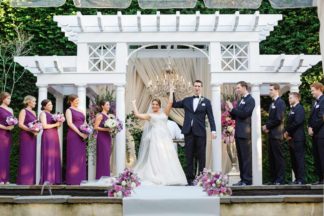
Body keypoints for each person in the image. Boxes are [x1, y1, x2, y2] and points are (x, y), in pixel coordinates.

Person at [132, 86, 187, 185]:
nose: (154, 106)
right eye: (153, 104)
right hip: (155, 138)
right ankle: (156, 175)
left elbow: (170, 103)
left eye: (156, 104)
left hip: (165, 138)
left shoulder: (165, 113)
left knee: (168, 156)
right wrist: (134, 104)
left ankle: (170, 176)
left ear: (159, 105)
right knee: (155, 157)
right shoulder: (150, 115)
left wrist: (171, 91)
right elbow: (137, 115)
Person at [172, 80, 216, 185]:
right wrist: (172, 92)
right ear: (193, 87)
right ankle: (190, 179)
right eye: (195, 86)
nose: (197, 88)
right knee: (189, 155)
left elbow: (211, 117)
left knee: (201, 156)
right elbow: (174, 104)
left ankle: (202, 179)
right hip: (188, 132)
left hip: (200, 132)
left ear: (201, 87)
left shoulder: (207, 101)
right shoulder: (187, 100)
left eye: (199, 86)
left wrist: (213, 130)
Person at [226, 81, 255, 186]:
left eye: (238, 88)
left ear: (244, 87)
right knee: (241, 157)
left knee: (246, 157)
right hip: (238, 132)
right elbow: (235, 116)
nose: (237, 90)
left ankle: (248, 180)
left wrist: (233, 109)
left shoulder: (250, 100)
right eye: (236, 88)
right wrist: (230, 110)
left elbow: (244, 114)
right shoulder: (240, 100)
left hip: (245, 132)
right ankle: (243, 179)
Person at [262, 83, 286, 185]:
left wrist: (267, 126)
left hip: (277, 134)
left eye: (271, 90)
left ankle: (280, 179)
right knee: (272, 157)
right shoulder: (272, 103)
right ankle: (273, 179)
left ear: (277, 90)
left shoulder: (280, 102)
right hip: (272, 134)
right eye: (269, 90)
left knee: (278, 157)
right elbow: (271, 118)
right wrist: (267, 126)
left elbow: (278, 118)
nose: (269, 91)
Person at [66, 95, 88, 185]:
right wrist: (80, 133)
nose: (78, 102)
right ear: (71, 101)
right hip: (74, 135)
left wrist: (87, 131)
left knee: (81, 157)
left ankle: (81, 179)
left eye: (78, 101)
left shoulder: (81, 111)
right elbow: (70, 123)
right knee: (73, 155)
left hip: (82, 135)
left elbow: (85, 122)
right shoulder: (69, 110)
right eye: (76, 101)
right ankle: (73, 180)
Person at [284, 92, 305, 185]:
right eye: (289, 98)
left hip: (298, 138)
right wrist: (288, 134)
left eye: (291, 98)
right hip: (292, 138)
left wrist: (287, 131)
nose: (289, 99)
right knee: (293, 159)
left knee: (299, 158)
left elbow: (297, 122)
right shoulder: (292, 109)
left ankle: (301, 179)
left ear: (297, 98)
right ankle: (297, 178)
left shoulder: (299, 108)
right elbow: (289, 123)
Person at [39, 99, 62, 185]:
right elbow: (44, 126)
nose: (51, 106)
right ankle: (48, 179)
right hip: (48, 135)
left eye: (51, 104)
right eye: (49, 105)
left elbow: (56, 126)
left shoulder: (52, 115)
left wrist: (59, 123)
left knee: (55, 155)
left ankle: (55, 178)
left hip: (54, 135)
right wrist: (56, 124)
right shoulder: (43, 114)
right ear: (44, 106)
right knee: (49, 155)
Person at [17, 95, 38, 185]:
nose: (35, 103)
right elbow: (20, 124)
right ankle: (24, 180)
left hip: (33, 136)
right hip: (26, 136)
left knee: (32, 156)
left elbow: (36, 124)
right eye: (34, 101)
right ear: (28, 102)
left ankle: (31, 179)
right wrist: (31, 130)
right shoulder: (23, 111)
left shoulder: (34, 112)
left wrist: (37, 129)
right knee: (26, 155)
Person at [308, 82, 324, 184]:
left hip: (322, 133)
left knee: (322, 156)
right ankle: (320, 178)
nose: (311, 92)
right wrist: (309, 126)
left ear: (318, 89)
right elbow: (312, 117)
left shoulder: (323, 100)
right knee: (317, 156)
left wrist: (313, 128)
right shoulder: (316, 102)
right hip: (315, 134)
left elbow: (322, 118)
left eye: (313, 90)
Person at [94, 100, 112, 179]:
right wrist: (107, 130)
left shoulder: (108, 116)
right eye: (107, 104)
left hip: (108, 137)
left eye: (109, 105)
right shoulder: (100, 115)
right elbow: (95, 127)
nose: (109, 106)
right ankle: (101, 177)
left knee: (107, 157)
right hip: (102, 138)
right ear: (102, 106)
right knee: (103, 156)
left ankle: (106, 176)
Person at [0, 92, 14, 184]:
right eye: (8, 98)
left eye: (10, 98)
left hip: (8, 135)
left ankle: (6, 179)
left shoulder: (11, 109)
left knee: (6, 156)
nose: (9, 100)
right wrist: (6, 127)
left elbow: (13, 121)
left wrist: (12, 126)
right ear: (3, 98)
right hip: (1, 134)